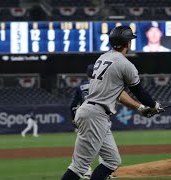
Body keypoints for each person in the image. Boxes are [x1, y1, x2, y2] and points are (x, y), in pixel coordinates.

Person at [61, 25, 163, 180]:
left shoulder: (103, 58)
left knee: (112, 161)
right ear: (128, 43)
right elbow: (139, 92)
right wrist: (155, 105)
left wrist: (141, 108)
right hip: (95, 115)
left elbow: (120, 95)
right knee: (79, 167)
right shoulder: (126, 64)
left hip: (94, 112)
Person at [69, 64, 116, 179]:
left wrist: (74, 118)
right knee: (103, 146)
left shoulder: (81, 87)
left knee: (85, 146)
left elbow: (73, 105)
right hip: (99, 118)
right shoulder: (103, 85)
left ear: (87, 74)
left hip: (84, 118)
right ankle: (104, 171)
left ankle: (87, 171)